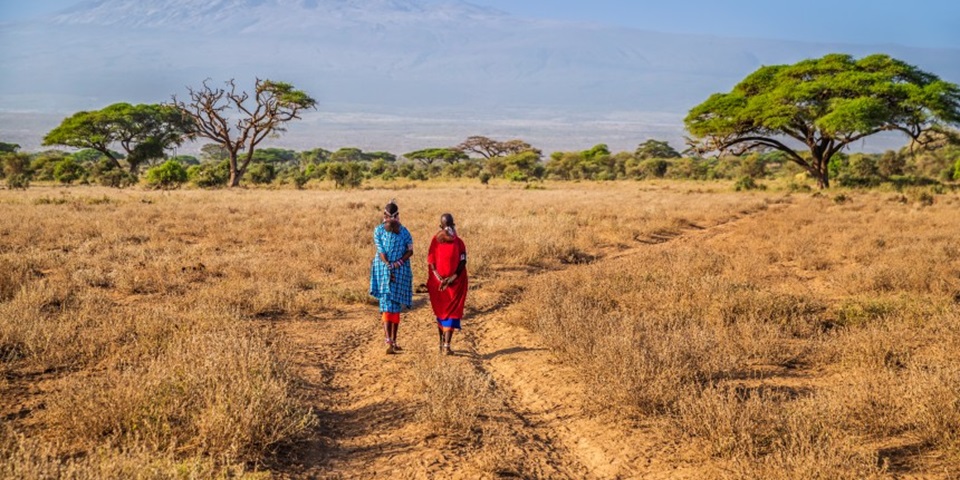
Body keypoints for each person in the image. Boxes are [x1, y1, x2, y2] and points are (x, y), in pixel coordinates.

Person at [370, 200, 414, 354]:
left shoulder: (405, 232)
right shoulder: (378, 231)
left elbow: (410, 251)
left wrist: (398, 263)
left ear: (398, 217)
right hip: (383, 270)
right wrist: (389, 265)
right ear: (384, 216)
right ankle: (388, 339)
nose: (391, 220)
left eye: (394, 217)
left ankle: (394, 340)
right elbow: (381, 251)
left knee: (395, 306)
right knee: (386, 304)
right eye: (389, 217)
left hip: (401, 271)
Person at [426, 213, 468, 355]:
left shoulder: (437, 241)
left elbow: (431, 263)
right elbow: (462, 262)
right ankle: (446, 346)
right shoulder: (458, 242)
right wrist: (449, 279)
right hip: (451, 283)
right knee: (449, 313)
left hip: (442, 284)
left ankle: (442, 343)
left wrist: (441, 279)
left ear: (440, 226)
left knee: (443, 312)